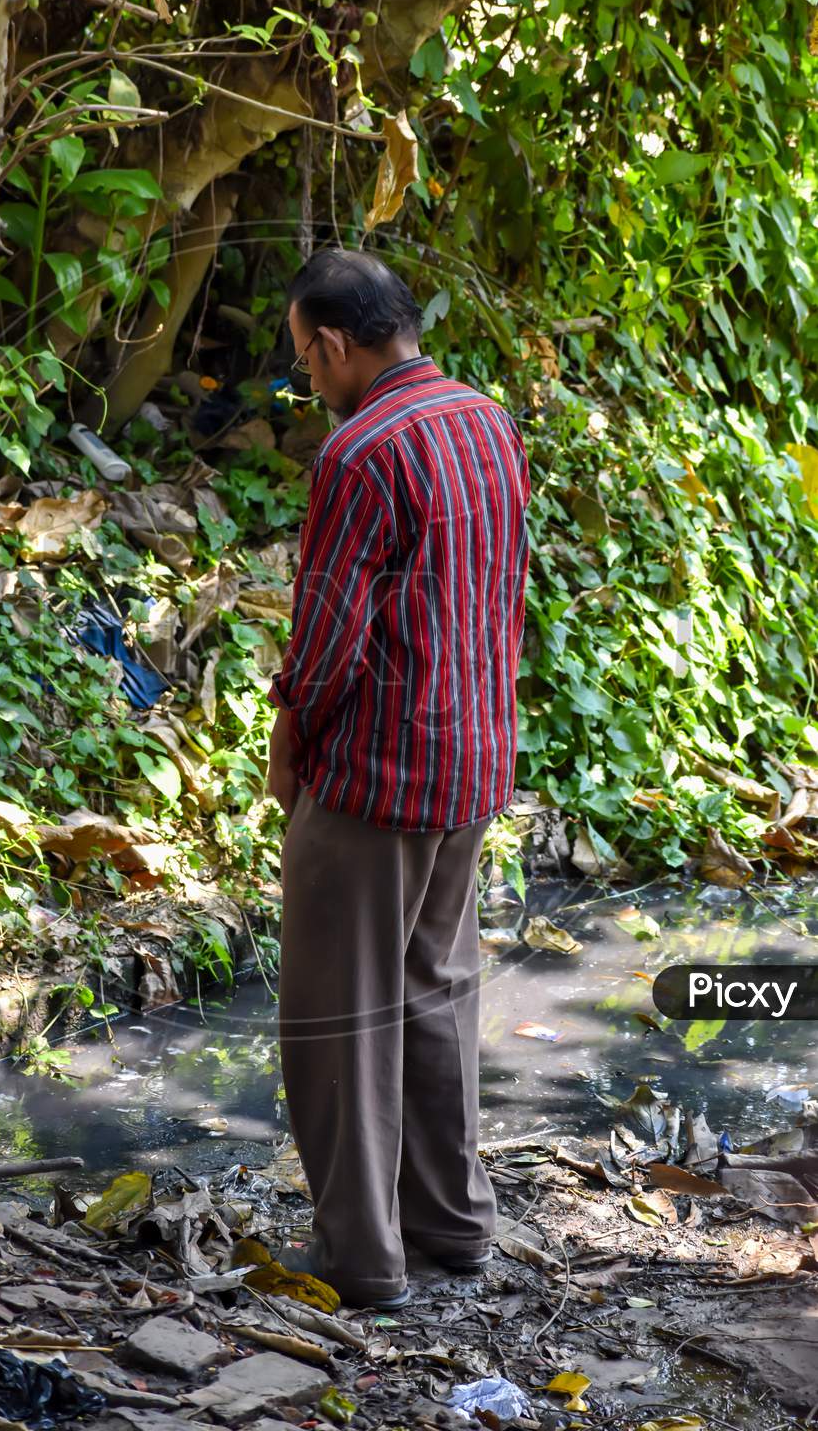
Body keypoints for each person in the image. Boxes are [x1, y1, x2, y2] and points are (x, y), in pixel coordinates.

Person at [267, 247, 530, 1311]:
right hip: (470, 757)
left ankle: (363, 1259)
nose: (305, 380)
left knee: (337, 1019)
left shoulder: (359, 449)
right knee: (435, 993)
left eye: (301, 360)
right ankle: (451, 1225)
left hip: (374, 773)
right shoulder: (484, 420)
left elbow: (329, 630)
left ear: (332, 343)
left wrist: (289, 733)